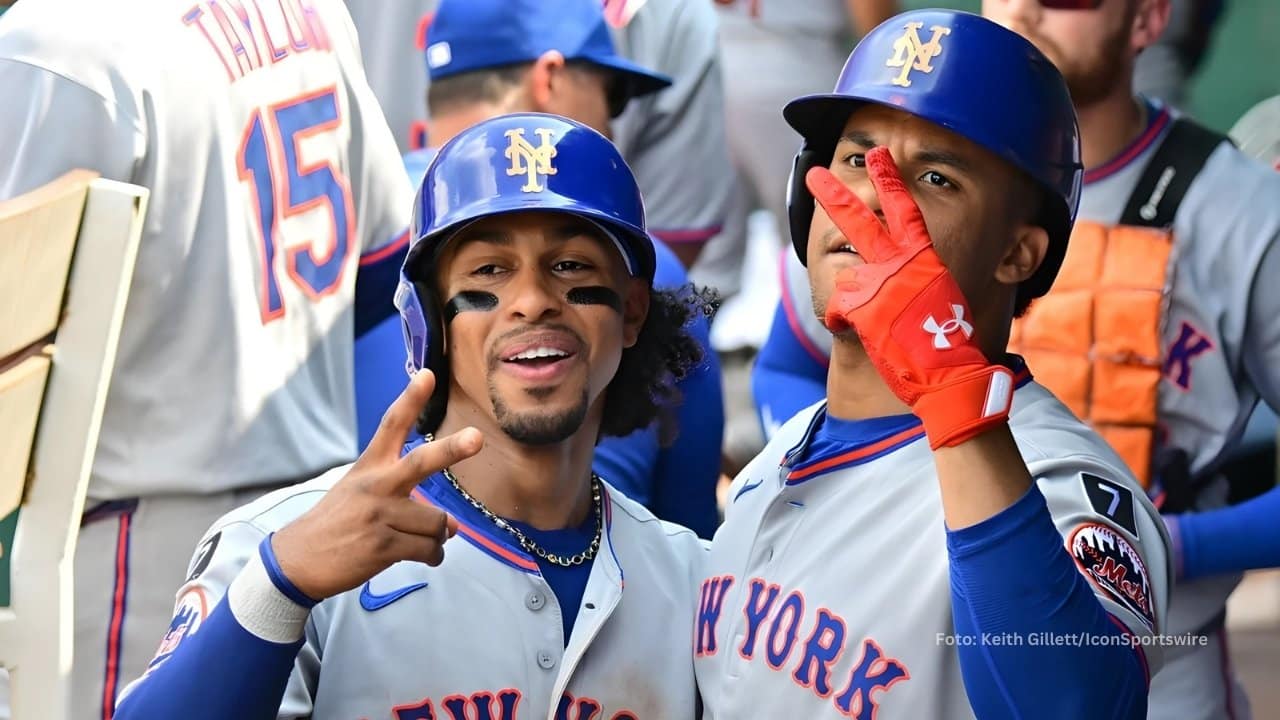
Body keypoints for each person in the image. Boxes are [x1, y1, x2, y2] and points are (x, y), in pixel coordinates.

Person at [755, 0, 1280, 715]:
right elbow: (785, 363)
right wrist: (843, 485)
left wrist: (1185, 546)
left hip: (1149, 657)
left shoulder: (1243, 212)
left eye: (938, 178)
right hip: (855, 627)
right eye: (856, 157)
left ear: (1149, 20)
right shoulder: (859, 219)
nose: (1026, 8)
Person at [114, 113, 712, 718]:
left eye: (570, 267)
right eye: (490, 271)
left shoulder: (692, 579)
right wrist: (280, 586)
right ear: (432, 319)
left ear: (632, 312)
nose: (532, 301)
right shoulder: (281, 542)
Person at [697, 11, 1170, 718]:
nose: (872, 199)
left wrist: (952, 388)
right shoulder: (776, 459)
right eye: (858, 160)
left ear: (1019, 254)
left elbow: (1076, 708)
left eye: (935, 178)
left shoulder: (1057, 479)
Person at [0, 0, 412, 716]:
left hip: (140, 532)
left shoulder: (56, 42)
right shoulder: (311, 8)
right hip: (317, 508)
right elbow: (385, 272)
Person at [354, 0, 724, 538]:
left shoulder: (352, 245)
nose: (530, 298)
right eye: (608, 96)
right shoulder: (643, 265)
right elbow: (695, 556)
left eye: (568, 265)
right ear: (548, 78)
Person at [344, 0, 733, 269]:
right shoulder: (606, 262)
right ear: (550, 80)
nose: (613, 125)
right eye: (611, 95)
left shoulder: (367, 230)